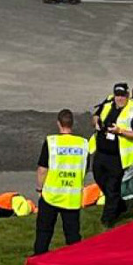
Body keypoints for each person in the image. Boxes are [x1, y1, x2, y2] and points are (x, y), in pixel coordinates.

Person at [90, 83, 133, 227]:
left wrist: (120, 131)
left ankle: (107, 220)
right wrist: (96, 122)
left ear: (127, 96)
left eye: (122, 96)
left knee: (112, 187)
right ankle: (120, 205)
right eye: (117, 95)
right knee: (99, 179)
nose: (119, 99)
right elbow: (95, 115)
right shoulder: (108, 103)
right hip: (101, 153)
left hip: (117, 157)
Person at [33, 109, 88, 255]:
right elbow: (84, 168)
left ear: (58, 123)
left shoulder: (52, 142)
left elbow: (42, 170)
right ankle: (74, 262)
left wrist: (39, 189)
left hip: (51, 196)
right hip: (71, 196)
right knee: (72, 235)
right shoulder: (82, 144)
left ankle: (39, 259)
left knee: (44, 232)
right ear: (72, 124)